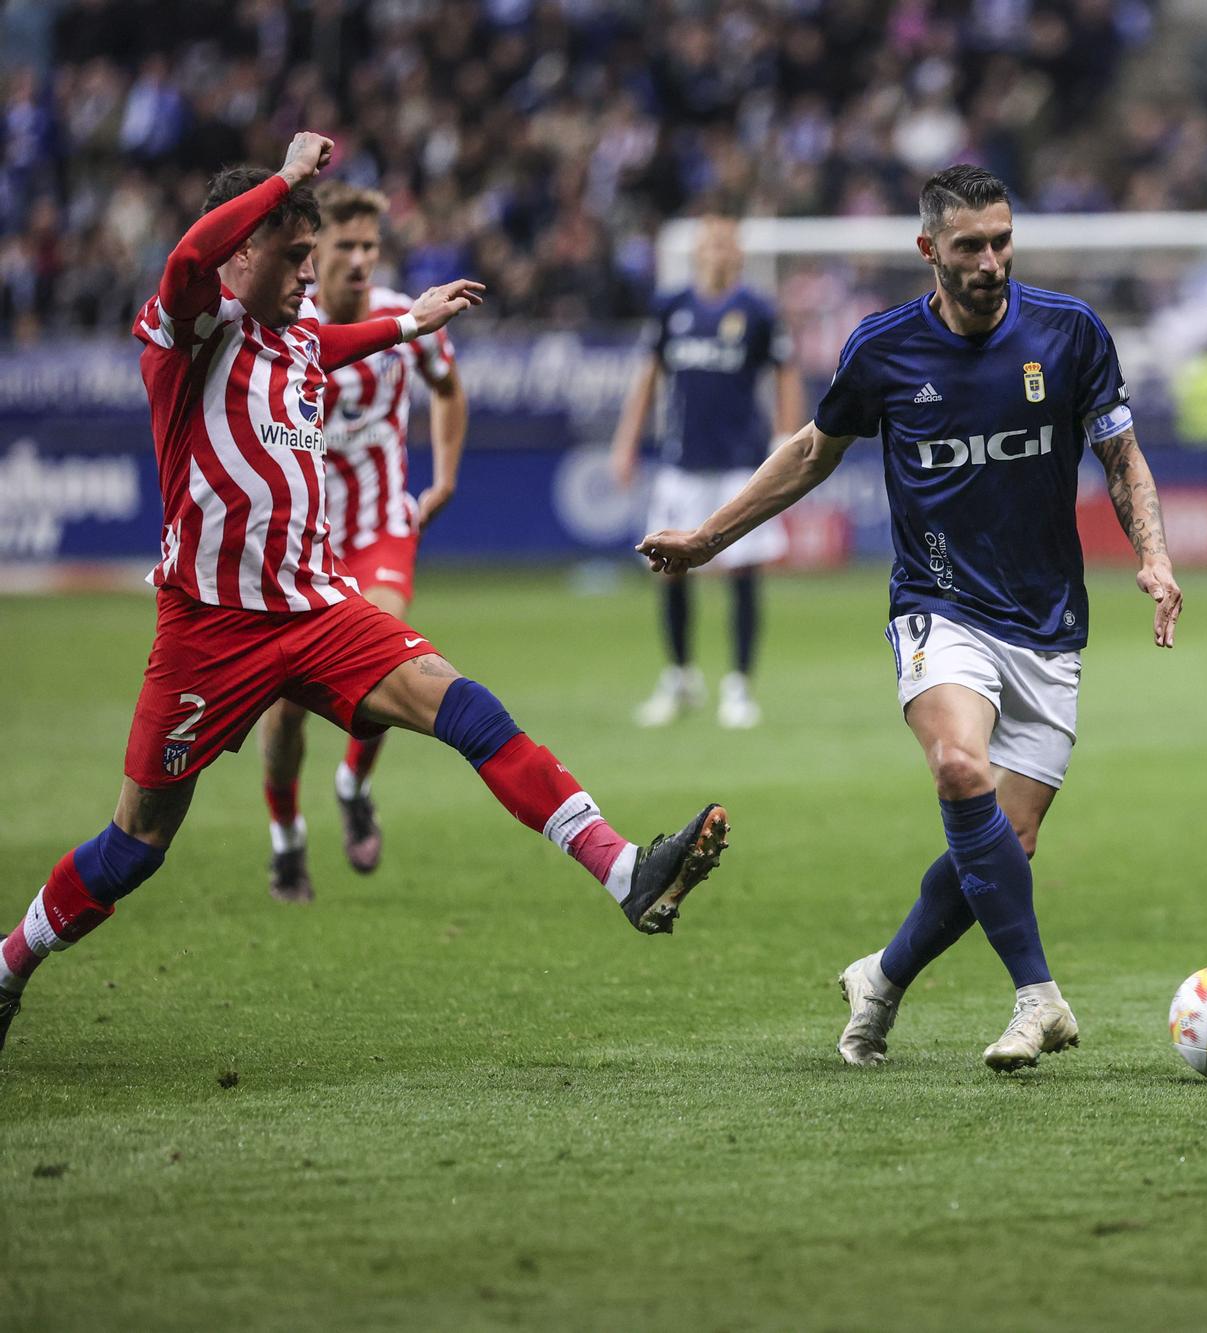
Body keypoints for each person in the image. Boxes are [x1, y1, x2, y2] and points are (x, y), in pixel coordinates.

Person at [0, 133, 729, 1058]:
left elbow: (335, 343)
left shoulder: (299, 339)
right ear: (245, 253)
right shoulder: (189, 328)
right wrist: (286, 180)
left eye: (318, 254)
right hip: (210, 628)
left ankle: (622, 867)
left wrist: (408, 323)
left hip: (316, 606)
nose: (314, 272)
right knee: (136, 844)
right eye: (296, 254)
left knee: (466, 705)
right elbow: (187, 257)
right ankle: (9, 965)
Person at [638, 164, 1182, 1072]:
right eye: (970, 245)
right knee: (959, 765)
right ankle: (1038, 995)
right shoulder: (883, 348)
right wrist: (707, 540)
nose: (991, 261)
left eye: (1002, 240)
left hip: (1048, 618)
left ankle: (880, 979)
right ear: (929, 250)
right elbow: (813, 453)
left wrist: (1154, 556)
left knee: (1005, 847)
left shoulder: (1071, 332)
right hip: (938, 604)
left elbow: (1122, 457)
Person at [258, 182, 470, 902]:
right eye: (342, 246)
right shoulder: (287, 324)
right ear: (313, 254)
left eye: (368, 247)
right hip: (304, 544)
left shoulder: (411, 319)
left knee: (385, 646)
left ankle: (353, 782)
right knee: (285, 707)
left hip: (382, 525)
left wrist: (442, 477)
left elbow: (447, 387)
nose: (357, 259)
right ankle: (286, 835)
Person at [611, 215, 804, 731]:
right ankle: (679, 676)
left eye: (725, 244)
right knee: (669, 570)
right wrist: (626, 442)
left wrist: (786, 440)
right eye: (709, 244)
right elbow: (648, 376)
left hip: (742, 464)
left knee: (742, 573)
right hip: (681, 462)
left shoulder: (758, 312)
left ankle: (738, 685)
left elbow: (786, 374)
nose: (718, 253)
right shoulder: (671, 307)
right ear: (697, 253)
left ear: (738, 253)